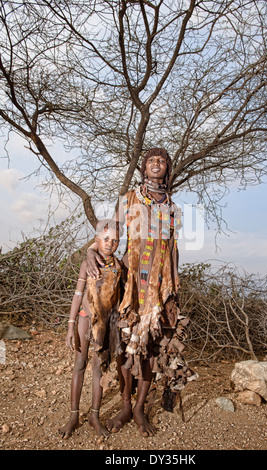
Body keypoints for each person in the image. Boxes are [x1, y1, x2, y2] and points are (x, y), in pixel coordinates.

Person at [87, 148, 196, 437]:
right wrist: (90, 251)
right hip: (132, 283)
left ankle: (139, 409)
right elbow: (109, 232)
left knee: (152, 348)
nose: (156, 164)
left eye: (162, 161)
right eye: (151, 160)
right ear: (144, 168)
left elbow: (173, 249)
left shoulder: (173, 208)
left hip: (160, 287)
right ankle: (125, 405)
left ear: (168, 169)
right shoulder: (129, 200)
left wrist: (174, 288)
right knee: (125, 345)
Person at [59, 219, 124, 439]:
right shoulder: (88, 265)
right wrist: (71, 326)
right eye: (106, 239)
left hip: (104, 324)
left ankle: (94, 417)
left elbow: (116, 300)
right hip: (85, 320)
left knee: (98, 369)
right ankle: (74, 416)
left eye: (115, 240)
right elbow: (78, 295)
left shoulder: (118, 267)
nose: (110, 244)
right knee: (79, 363)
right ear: (97, 240)